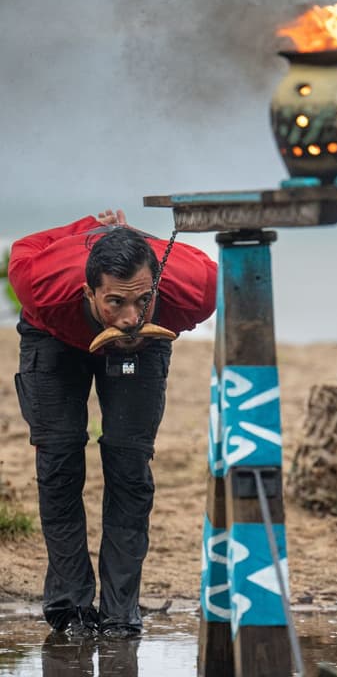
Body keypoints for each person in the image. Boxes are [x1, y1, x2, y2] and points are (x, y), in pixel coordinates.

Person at [8, 210, 217, 638]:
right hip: (54, 336)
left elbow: (214, 273)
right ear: (89, 291)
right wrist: (86, 227)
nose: (130, 317)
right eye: (116, 302)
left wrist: (129, 236)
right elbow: (23, 248)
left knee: (129, 465)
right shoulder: (41, 285)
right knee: (60, 462)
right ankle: (70, 607)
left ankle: (121, 615)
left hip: (147, 348)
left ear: (157, 285)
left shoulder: (194, 290)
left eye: (143, 299)